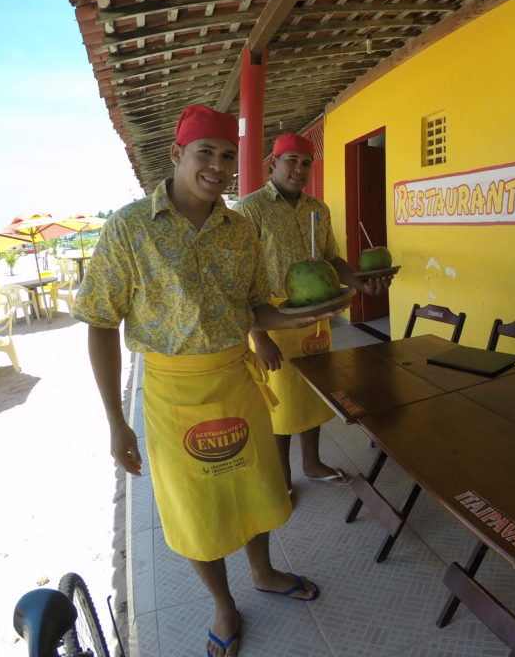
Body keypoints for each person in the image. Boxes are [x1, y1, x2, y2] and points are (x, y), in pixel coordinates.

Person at [73, 105, 346, 657]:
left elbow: (251, 308)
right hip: (173, 395)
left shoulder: (240, 229)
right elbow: (101, 325)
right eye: (206, 153)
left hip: (236, 379)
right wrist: (116, 423)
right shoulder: (129, 228)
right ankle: (224, 603)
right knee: (197, 510)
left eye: (226, 156)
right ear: (177, 155)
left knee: (257, 490)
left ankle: (265, 573)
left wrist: (286, 318)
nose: (218, 166)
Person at [234, 132, 392, 497]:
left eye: (306, 163)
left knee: (314, 392)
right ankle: (281, 476)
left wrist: (359, 283)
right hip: (271, 317)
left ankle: (312, 463)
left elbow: (332, 259)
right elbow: (241, 277)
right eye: (291, 160)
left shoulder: (317, 210)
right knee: (280, 402)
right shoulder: (249, 209)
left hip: (315, 313)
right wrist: (259, 336)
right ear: (273, 163)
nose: (300, 169)